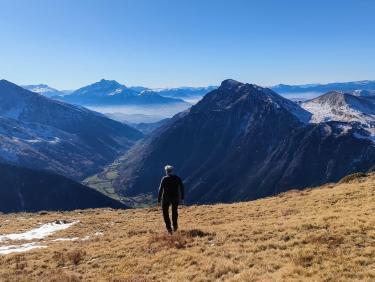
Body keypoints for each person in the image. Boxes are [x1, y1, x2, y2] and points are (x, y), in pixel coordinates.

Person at [158, 165, 185, 234]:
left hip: (166, 198)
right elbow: (182, 188)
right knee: (174, 212)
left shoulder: (164, 179)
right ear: (172, 171)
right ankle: (175, 227)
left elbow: (160, 189)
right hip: (175, 198)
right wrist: (182, 198)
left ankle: (169, 228)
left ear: (166, 171)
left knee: (165, 213)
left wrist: (159, 200)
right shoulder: (177, 178)